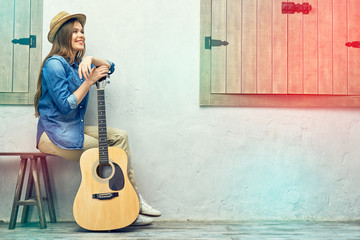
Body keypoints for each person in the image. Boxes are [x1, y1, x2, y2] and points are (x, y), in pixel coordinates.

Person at [34, 11, 161, 226]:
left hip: (73, 128)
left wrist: (91, 59)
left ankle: (134, 201)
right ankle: (120, 208)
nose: (81, 35)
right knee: (107, 152)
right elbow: (65, 107)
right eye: (75, 31)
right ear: (64, 35)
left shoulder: (77, 65)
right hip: (54, 134)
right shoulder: (54, 65)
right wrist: (90, 80)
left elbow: (110, 67)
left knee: (120, 137)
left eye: (82, 31)